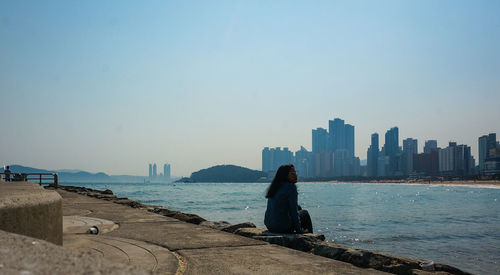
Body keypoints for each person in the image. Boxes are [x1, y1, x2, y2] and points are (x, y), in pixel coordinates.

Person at [264, 164, 313, 234]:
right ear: (285, 175)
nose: (295, 175)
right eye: (292, 173)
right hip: (282, 227)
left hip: (270, 226)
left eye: (295, 172)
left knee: (298, 207)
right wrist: (299, 230)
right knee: (305, 213)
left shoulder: (275, 186)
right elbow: (293, 212)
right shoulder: (291, 187)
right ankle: (310, 237)